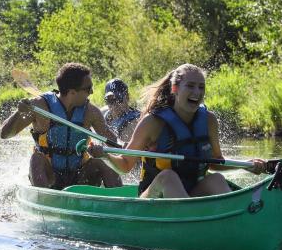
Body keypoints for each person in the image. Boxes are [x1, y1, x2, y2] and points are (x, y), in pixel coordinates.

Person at [88, 63, 267, 198]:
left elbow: (214, 163)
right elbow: (125, 165)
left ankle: (232, 220)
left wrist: (248, 165)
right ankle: (191, 226)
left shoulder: (209, 120)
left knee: (216, 179)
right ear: (175, 89)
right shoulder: (153, 122)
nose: (197, 92)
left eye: (201, 87)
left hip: (190, 193)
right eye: (190, 86)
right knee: (168, 177)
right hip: (154, 198)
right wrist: (104, 155)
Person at [0, 62, 122, 190]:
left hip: (80, 176)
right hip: (49, 177)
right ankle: (44, 201)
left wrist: (106, 152)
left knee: (102, 161)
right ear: (72, 92)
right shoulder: (39, 106)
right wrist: (18, 113)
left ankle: (120, 201)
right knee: (36, 159)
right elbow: (5, 134)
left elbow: (112, 141)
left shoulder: (91, 112)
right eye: (88, 88)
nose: (92, 92)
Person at [102, 79, 140, 143]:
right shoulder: (106, 117)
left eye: (118, 99)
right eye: (110, 101)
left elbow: (127, 151)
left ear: (127, 97)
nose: (114, 105)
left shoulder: (135, 121)